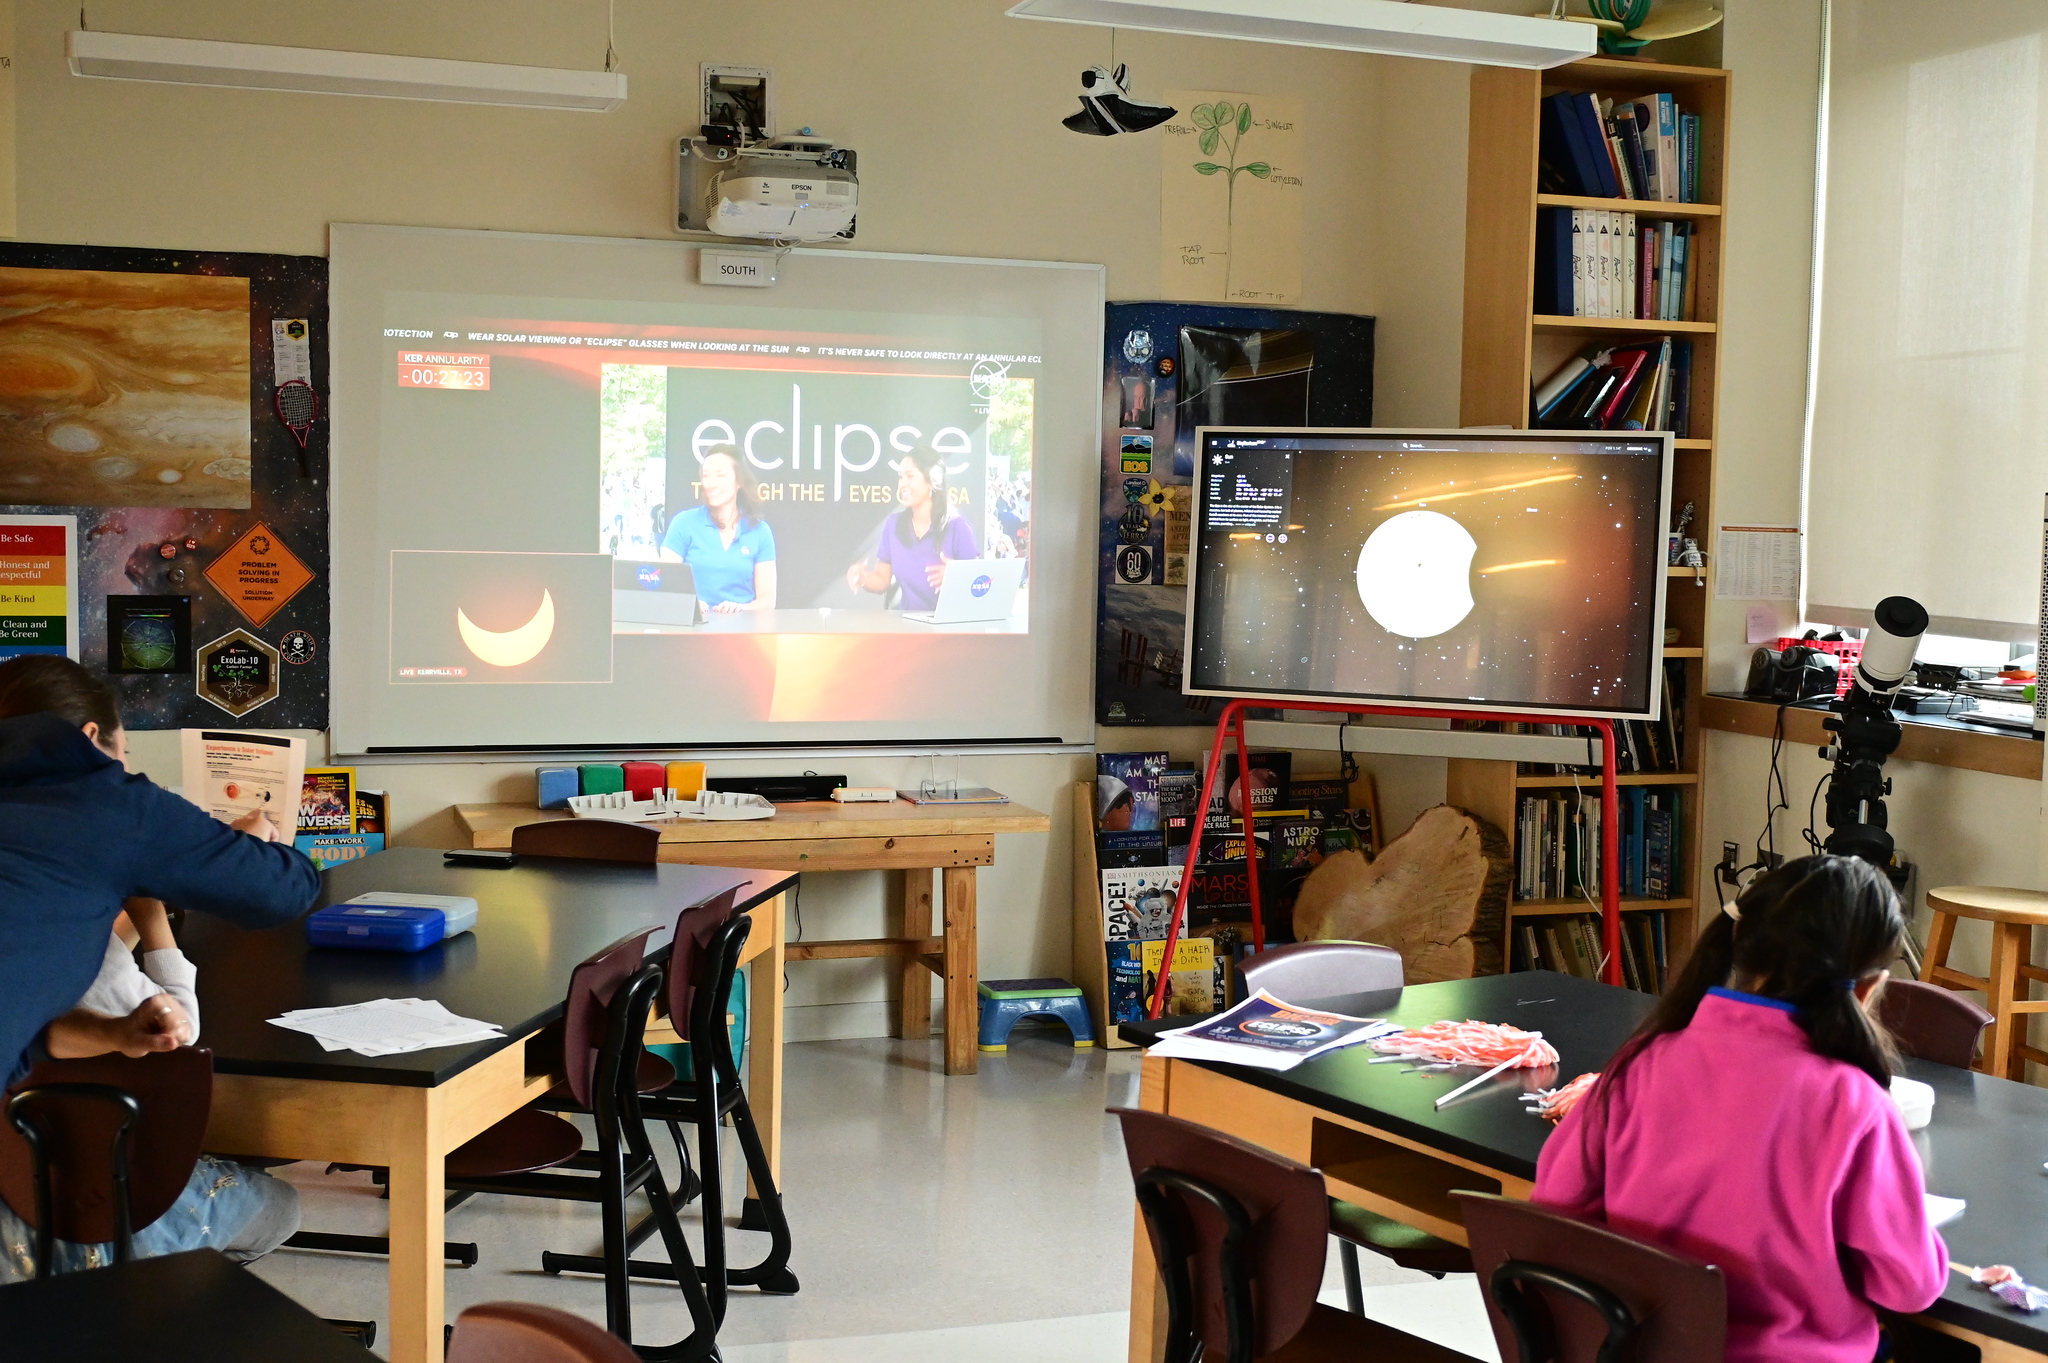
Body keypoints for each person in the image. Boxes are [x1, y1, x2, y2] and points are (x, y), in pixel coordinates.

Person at [1534, 856, 1945, 1362]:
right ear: (1870, 988)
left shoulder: (1643, 1061)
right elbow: (1909, 1287)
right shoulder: (1855, 1103)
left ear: (1738, 949)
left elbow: (1555, 1203)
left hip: (1639, 1349)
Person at [0, 655, 318, 1276]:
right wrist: (243, 843)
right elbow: (285, 890)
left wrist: (113, 1034)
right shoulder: (101, 800)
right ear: (92, 739)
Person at [845, 452, 979, 613]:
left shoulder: (958, 528)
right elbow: (882, 581)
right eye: (901, 477)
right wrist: (862, 578)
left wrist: (957, 577)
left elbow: (978, 584)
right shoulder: (893, 525)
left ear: (932, 482)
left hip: (950, 629)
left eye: (910, 476)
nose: (902, 484)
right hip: (908, 628)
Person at [660, 445, 776, 613]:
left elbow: (767, 600)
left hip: (744, 633)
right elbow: (664, 585)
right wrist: (689, 606)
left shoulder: (760, 531)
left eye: (720, 475)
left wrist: (741, 608)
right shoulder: (683, 523)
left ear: (739, 481)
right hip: (693, 629)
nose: (711, 483)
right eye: (706, 476)